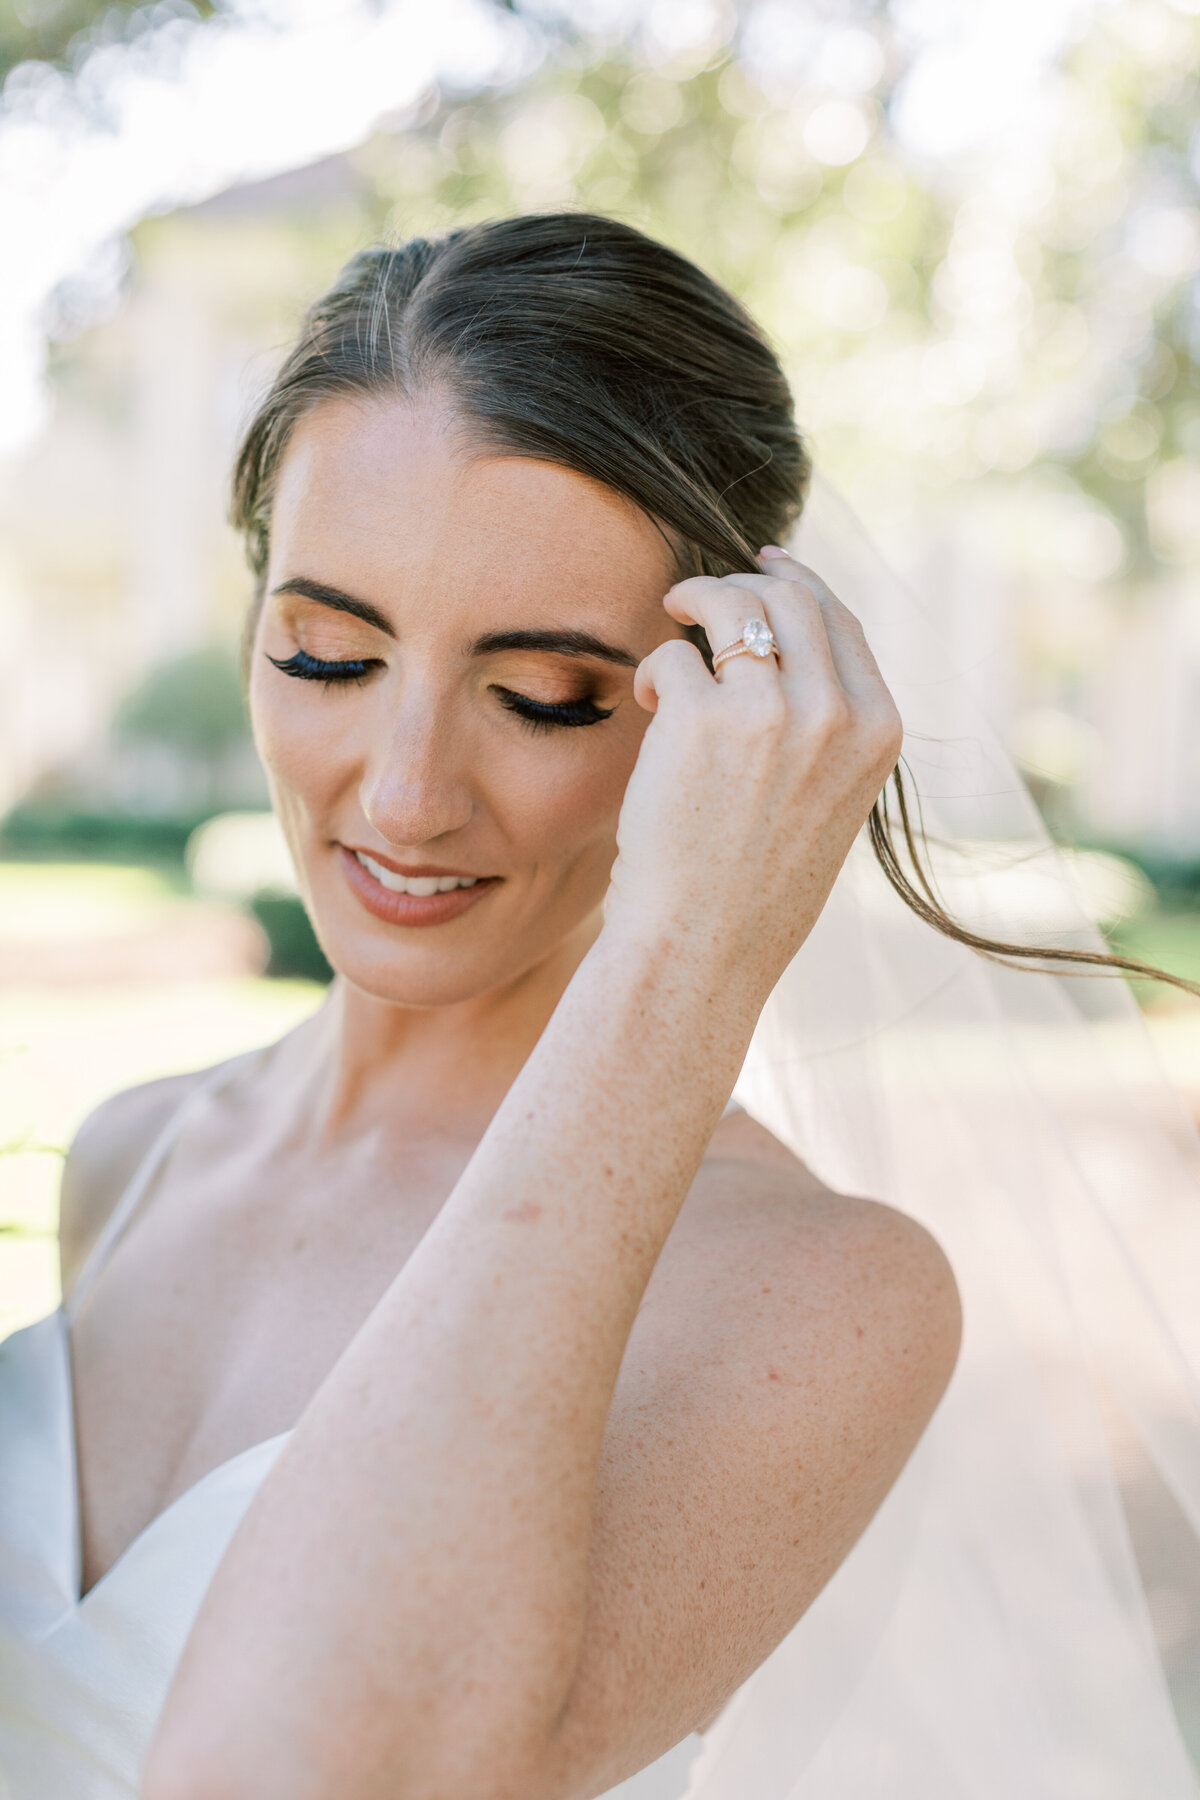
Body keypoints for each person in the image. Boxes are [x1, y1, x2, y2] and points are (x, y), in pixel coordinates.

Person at [0, 214, 1195, 1800]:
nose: (408, 795)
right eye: (328, 652)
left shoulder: (818, 1301)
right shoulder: (131, 1153)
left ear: (730, 700)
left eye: (545, 695)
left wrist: (693, 952)